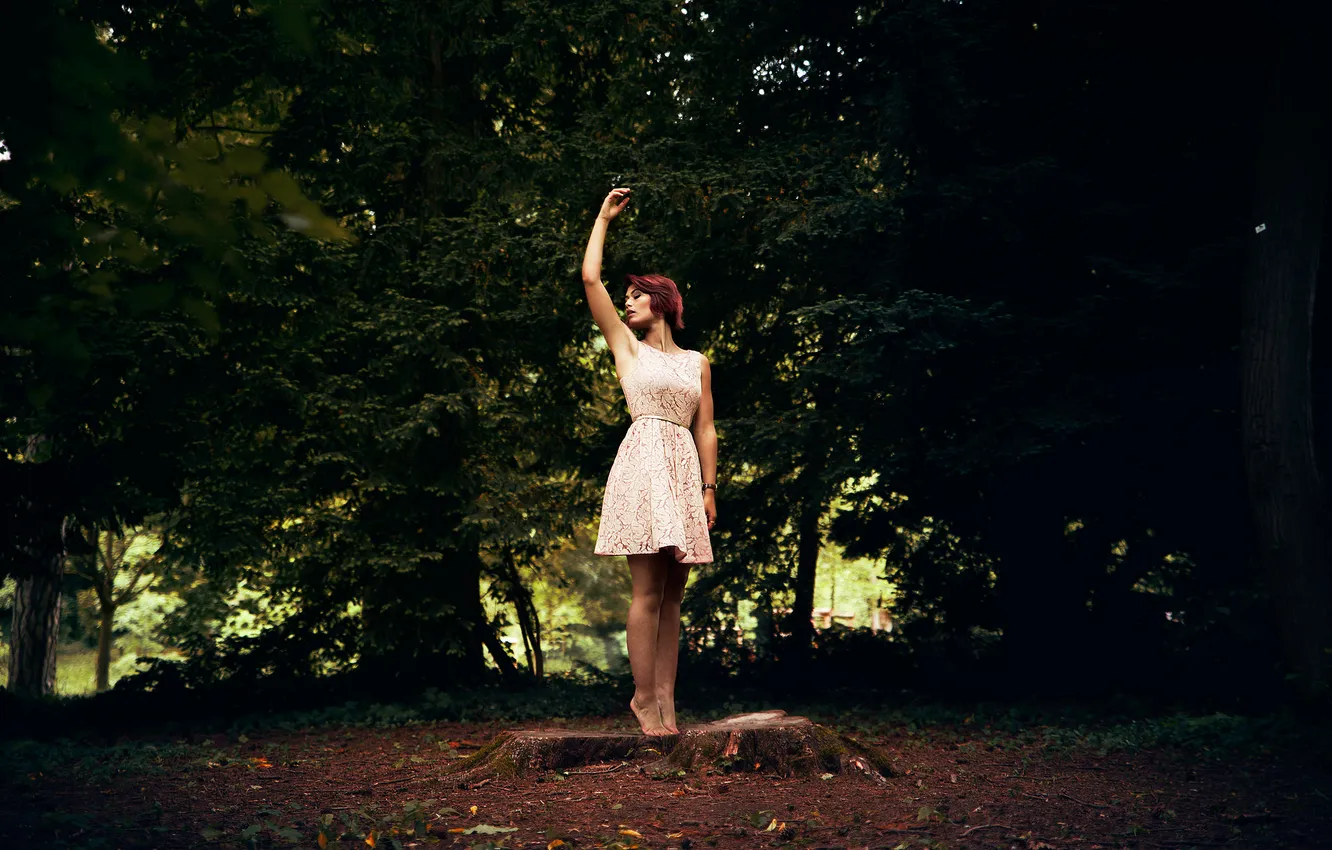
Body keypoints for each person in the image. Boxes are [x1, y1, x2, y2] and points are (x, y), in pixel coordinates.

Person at [581, 187, 717, 736]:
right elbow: (590, 280)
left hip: (683, 470)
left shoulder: (696, 362)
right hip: (642, 464)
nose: (627, 303)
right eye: (626, 297)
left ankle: (667, 704)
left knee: (673, 597)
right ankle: (643, 700)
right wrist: (602, 219)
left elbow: (706, 426)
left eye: (635, 296)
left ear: (660, 301)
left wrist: (709, 489)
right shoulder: (626, 348)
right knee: (645, 592)